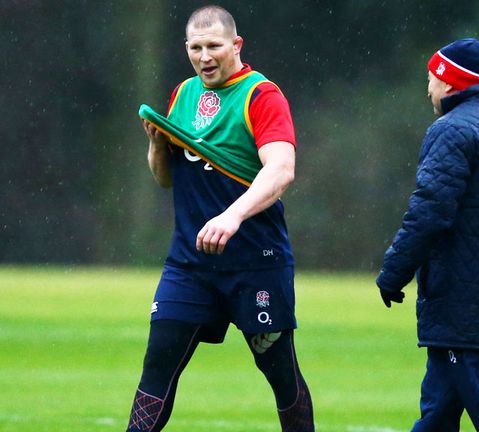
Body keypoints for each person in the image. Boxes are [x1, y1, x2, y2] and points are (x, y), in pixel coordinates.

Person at [127, 6, 313, 431]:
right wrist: (157, 147)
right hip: (190, 266)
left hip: (255, 265)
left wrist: (232, 216)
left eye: (214, 46)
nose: (204, 56)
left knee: (281, 375)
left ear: (236, 45)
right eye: (196, 47)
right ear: (186, 49)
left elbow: (281, 170)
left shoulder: (261, 95)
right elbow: (165, 180)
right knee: (157, 368)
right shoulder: (182, 94)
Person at [376, 38, 479, 431]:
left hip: (460, 298)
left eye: (431, 78)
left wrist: (395, 270)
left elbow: (429, 210)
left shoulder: (450, 131)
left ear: (449, 82)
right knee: (438, 413)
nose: (428, 88)